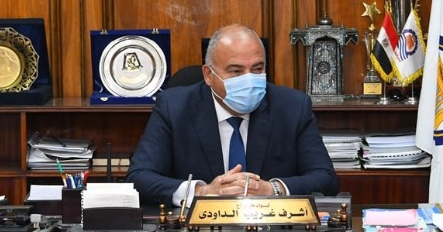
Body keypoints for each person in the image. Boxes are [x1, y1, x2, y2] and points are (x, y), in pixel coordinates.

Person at [126, 24, 339, 207]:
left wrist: (272, 189)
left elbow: (325, 178)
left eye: (257, 69)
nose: (249, 79)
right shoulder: (174, 107)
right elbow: (139, 178)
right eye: (236, 71)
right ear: (208, 75)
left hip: (271, 230)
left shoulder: (292, 107)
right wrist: (201, 192)